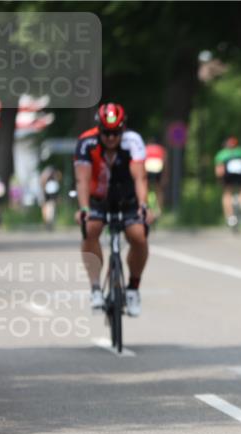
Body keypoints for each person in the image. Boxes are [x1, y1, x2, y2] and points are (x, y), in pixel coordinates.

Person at [73, 102, 153, 317]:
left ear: (123, 129)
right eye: (106, 133)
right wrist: (83, 208)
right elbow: (82, 179)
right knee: (90, 229)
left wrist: (143, 205)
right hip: (97, 198)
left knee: (139, 236)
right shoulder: (86, 142)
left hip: (126, 197)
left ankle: (133, 288)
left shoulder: (132, 141)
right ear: (99, 129)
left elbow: (140, 177)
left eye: (115, 133)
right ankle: (96, 288)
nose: (110, 138)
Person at [214, 136, 241, 228]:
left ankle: (230, 216)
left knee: (227, 192)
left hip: (228, 175)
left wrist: (220, 180)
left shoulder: (222, 154)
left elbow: (219, 170)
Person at [144, 139, 167, 212]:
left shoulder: (146, 148)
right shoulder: (160, 149)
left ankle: (146, 207)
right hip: (158, 168)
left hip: (148, 168)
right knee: (159, 190)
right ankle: (159, 209)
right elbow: (164, 161)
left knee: (146, 189)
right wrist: (165, 175)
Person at [39, 165, 63, 230]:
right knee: (50, 207)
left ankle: (49, 222)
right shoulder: (50, 174)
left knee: (50, 207)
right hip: (49, 193)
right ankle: (48, 222)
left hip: (49, 192)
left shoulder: (49, 176)